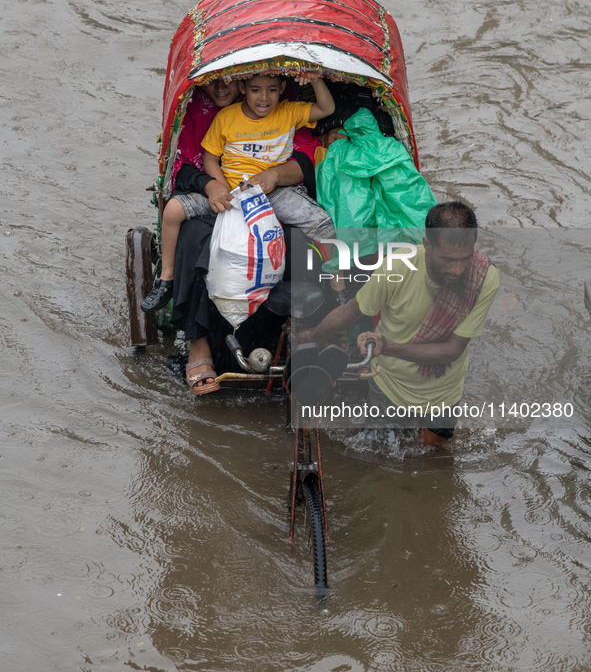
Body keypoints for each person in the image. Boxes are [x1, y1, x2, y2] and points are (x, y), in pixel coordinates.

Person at [142, 74, 336, 394]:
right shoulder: (204, 115)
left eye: (230, 81)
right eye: (213, 82)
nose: (221, 89)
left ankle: (313, 327)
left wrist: (273, 175)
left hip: (271, 195)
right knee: (198, 241)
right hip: (217, 197)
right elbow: (188, 164)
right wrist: (214, 185)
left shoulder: (285, 110)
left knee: (300, 244)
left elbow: (305, 155)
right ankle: (199, 342)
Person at [298, 201, 500, 444]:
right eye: (448, 259)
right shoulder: (397, 267)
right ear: (427, 245)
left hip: (443, 396)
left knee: (434, 463)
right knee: (380, 459)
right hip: (389, 388)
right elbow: (351, 311)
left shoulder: (484, 278)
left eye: (465, 258)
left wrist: (388, 347)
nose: (457, 269)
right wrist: (310, 337)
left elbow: (453, 350)